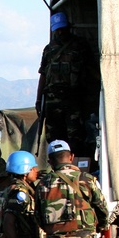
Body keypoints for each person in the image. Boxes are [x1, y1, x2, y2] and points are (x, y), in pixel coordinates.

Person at [35, 12, 100, 158]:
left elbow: (91, 68)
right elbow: (43, 76)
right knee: (54, 138)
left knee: (75, 137)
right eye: (57, 29)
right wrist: (39, 100)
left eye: (63, 29)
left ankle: (75, 166)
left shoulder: (80, 46)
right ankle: (57, 166)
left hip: (73, 99)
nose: (60, 32)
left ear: (68, 27)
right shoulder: (49, 49)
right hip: (52, 101)